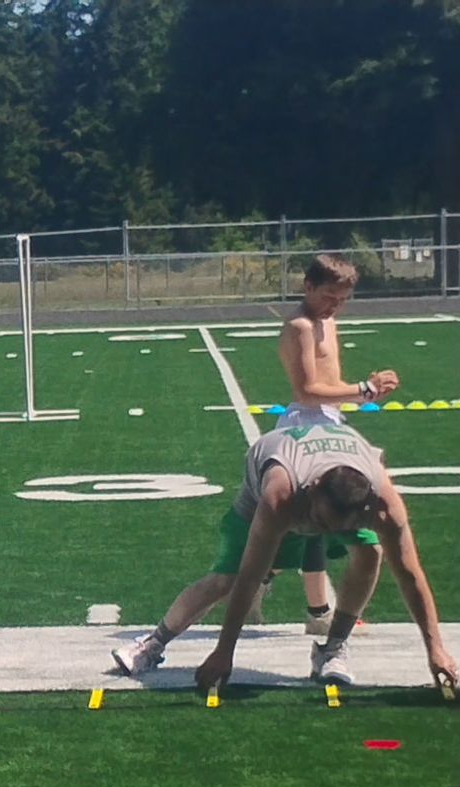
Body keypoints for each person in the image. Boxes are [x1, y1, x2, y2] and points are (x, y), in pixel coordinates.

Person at [111, 424, 455, 694]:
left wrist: (436, 650)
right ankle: (152, 644)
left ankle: (333, 648)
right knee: (227, 578)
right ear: (313, 488)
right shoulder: (280, 493)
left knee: (369, 553)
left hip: (331, 481)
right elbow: (251, 575)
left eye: (337, 526)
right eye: (320, 522)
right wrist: (224, 651)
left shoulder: (383, 505)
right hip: (272, 469)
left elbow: (410, 574)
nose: (321, 532)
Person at [261, 254, 400, 633]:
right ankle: (314, 608)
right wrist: (364, 389)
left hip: (329, 421)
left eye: (342, 300)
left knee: (314, 523)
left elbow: (331, 384)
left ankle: (294, 595)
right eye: (328, 297)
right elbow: (307, 391)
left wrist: (367, 391)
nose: (334, 306)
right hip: (307, 427)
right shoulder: (301, 326)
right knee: (322, 519)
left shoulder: (328, 321)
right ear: (308, 286)